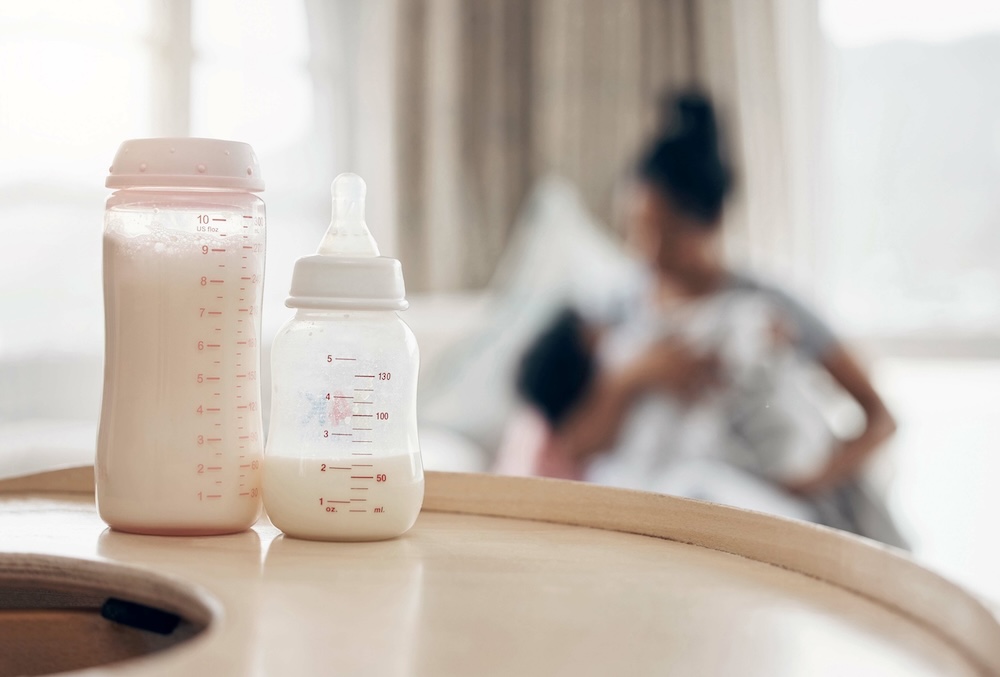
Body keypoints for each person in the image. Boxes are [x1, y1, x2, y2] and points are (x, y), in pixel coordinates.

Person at [498, 91, 906, 546]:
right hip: (654, 505)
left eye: (667, 233)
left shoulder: (770, 306)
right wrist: (636, 376)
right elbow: (576, 445)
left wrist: (812, 479)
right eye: (637, 228)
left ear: (711, 223)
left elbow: (881, 417)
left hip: (749, 506)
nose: (648, 249)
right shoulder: (616, 308)